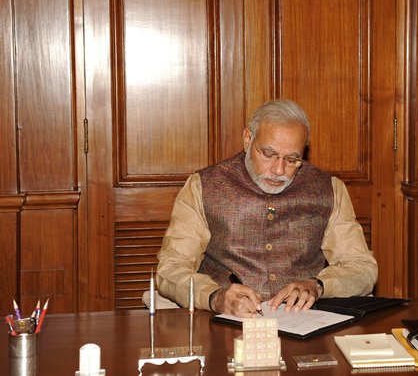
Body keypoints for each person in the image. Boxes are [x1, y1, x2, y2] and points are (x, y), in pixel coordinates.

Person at [156, 99, 378, 317]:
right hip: (224, 323)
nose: (279, 169)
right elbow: (171, 269)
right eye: (269, 154)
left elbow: (362, 267)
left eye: (292, 159)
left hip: (305, 322)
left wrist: (318, 285)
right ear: (247, 139)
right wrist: (215, 297)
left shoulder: (328, 189)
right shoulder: (203, 186)